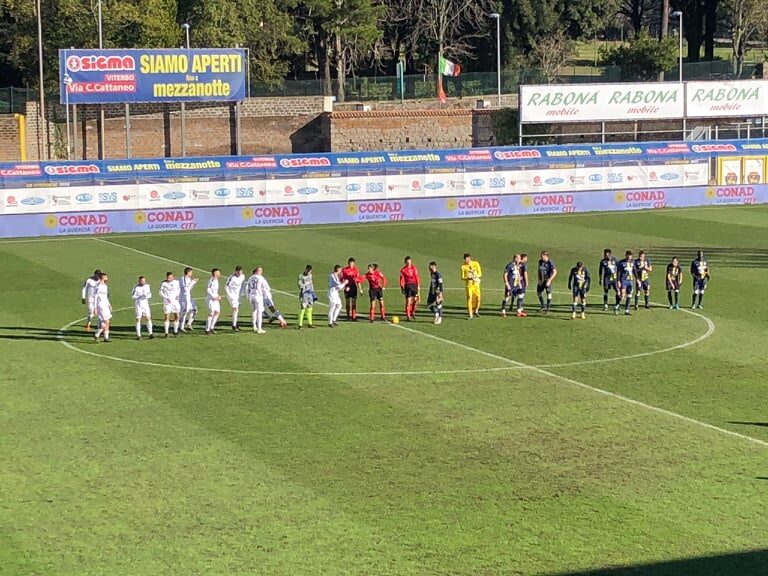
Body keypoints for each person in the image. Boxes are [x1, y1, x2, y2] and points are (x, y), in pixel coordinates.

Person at [131, 275, 155, 340]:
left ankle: (150, 333)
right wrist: (139, 296)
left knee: (148, 318)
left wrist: (146, 296)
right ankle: (138, 335)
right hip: (138, 305)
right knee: (138, 319)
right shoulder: (136, 287)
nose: (143, 282)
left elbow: (150, 294)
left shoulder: (147, 286)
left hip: (145, 305)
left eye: (144, 281)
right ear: (139, 281)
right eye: (141, 281)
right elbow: (132, 296)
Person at [460, 253, 482, 319]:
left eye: (467, 258)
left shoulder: (476, 264)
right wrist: (468, 278)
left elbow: (480, 273)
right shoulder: (463, 267)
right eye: (465, 259)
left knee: (478, 298)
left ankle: (476, 310)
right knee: (469, 298)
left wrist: (475, 275)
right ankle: (470, 314)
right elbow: (462, 277)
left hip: (476, 284)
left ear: (470, 258)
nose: (466, 260)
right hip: (469, 285)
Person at [159, 271, 181, 337]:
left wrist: (178, 295)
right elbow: (160, 292)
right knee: (167, 316)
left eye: (170, 277)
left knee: (177, 315)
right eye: (168, 277)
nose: (169, 278)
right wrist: (166, 297)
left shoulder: (177, 282)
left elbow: (178, 289)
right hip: (167, 302)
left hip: (175, 301)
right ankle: (166, 332)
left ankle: (175, 331)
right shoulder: (164, 283)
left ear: (173, 277)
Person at [399, 256, 421, 321]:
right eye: (407, 262)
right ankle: (408, 316)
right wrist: (402, 288)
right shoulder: (403, 270)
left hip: (414, 285)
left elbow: (417, 277)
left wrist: (418, 285)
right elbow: (401, 280)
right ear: (405, 262)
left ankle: (412, 312)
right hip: (407, 286)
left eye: (410, 262)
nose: (409, 263)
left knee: (415, 300)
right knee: (408, 301)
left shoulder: (414, 268)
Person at [246, 267, 267, 334]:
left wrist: (248, 296)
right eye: (260, 271)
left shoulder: (251, 277)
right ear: (258, 271)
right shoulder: (261, 278)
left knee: (254, 310)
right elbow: (264, 287)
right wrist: (265, 295)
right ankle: (259, 328)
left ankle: (254, 325)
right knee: (259, 312)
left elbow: (247, 287)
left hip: (251, 295)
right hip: (258, 296)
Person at [225, 265, 246, 332]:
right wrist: (229, 295)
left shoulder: (242, 276)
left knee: (237, 309)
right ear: (236, 271)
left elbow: (243, 284)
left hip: (238, 295)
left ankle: (235, 323)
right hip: (232, 295)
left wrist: (242, 292)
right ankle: (234, 325)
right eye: (238, 272)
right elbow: (226, 287)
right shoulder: (231, 278)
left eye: (240, 272)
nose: (240, 273)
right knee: (235, 309)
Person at [93, 272, 112, 343]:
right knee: (106, 321)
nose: (107, 278)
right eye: (106, 277)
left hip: (105, 305)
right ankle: (97, 334)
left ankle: (106, 337)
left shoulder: (105, 286)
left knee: (107, 322)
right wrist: (95, 308)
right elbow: (95, 297)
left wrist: (109, 305)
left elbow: (105, 297)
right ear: (103, 278)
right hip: (100, 306)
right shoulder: (98, 286)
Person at [297, 265, 316, 329]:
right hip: (304, 294)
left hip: (310, 293)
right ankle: (300, 324)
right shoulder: (301, 276)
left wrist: (313, 293)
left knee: (310, 308)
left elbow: (311, 284)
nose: (309, 273)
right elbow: (300, 285)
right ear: (305, 269)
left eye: (310, 271)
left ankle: (310, 323)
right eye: (308, 271)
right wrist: (306, 284)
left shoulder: (310, 275)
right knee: (303, 308)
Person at [616, 250, 635, 315]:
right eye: (628, 256)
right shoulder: (621, 263)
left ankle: (627, 310)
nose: (629, 257)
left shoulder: (633, 262)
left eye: (630, 256)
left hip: (631, 281)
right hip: (623, 280)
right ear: (626, 255)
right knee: (622, 295)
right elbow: (618, 272)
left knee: (629, 295)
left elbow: (634, 271)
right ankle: (617, 305)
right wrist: (618, 280)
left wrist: (638, 279)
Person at [180, 267, 199, 331]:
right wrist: (193, 282)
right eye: (191, 272)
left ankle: (189, 323)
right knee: (185, 311)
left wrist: (193, 282)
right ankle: (181, 326)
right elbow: (186, 289)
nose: (191, 274)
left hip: (189, 296)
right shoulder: (183, 279)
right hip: (184, 297)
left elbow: (189, 288)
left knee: (194, 310)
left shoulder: (189, 279)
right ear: (188, 272)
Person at [205, 268, 222, 335]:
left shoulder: (216, 280)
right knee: (211, 313)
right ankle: (207, 329)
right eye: (218, 272)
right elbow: (208, 290)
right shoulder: (212, 280)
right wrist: (214, 297)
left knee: (217, 312)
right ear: (215, 273)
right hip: (211, 300)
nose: (219, 274)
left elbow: (215, 291)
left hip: (215, 299)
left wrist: (218, 296)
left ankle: (212, 327)